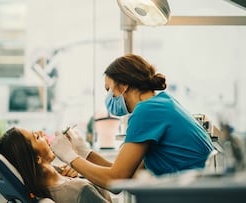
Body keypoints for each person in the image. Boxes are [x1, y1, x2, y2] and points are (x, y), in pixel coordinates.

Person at [50, 53, 214, 189]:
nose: (108, 98)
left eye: (109, 89)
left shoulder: (147, 111)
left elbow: (115, 180)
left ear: (123, 86)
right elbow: (130, 176)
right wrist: (85, 153)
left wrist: (70, 156)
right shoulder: (162, 103)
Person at [0, 127, 112, 203]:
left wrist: (77, 166)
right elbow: (115, 180)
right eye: (36, 137)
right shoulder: (81, 191)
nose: (41, 132)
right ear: (37, 159)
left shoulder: (34, 189)